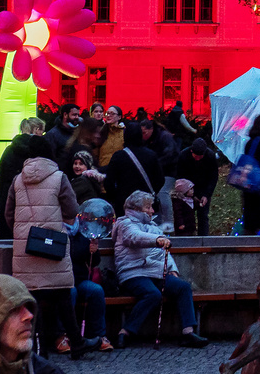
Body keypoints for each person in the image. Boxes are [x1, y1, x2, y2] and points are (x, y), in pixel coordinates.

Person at [5, 148, 95, 360]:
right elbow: (72, 210)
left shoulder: (18, 179)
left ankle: (38, 349)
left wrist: (21, 231)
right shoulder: (59, 177)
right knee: (62, 293)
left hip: (25, 245)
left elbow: (8, 213)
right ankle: (77, 343)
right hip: (51, 244)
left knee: (32, 297)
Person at [112, 190, 209, 348]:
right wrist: (158, 240)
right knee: (152, 294)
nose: (152, 211)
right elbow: (135, 237)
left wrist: (173, 269)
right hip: (133, 272)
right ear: (138, 209)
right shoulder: (124, 224)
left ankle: (188, 332)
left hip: (155, 272)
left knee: (183, 287)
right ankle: (126, 331)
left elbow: (164, 251)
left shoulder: (153, 226)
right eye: (149, 207)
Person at [0, 117, 57, 238]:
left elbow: (1, 180)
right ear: (36, 130)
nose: (43, 135)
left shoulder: (9, 150)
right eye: (42, 131)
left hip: (11, 203)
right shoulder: (39, 152)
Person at [71, 198, 115, 350]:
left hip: (81, 278)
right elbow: (72, 254)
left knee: (96, 291)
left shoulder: (85, 233)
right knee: (70, 294)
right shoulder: (65, 232)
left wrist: (94, 251)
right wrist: (85, 251)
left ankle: (100, 335)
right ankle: (65, 335)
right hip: (64, 280)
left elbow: (93, 262)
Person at [103, 121, 165, 217]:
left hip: (124, 204)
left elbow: (109, 182)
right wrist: (150, 194)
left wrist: (116, 198)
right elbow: (160, 180)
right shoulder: (151, 155)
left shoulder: (119, 156)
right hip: (145, 204)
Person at [174, 139, 218, 235]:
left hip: (204, 187)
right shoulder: (183, 156)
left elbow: (213, 177)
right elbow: (180, 176)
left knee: (203, 215)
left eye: (200, 156)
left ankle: (203, 240)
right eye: (196, 156)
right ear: (191, 152)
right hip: (187, 190)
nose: (198, 158)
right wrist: (189, 193)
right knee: (186, 215)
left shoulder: (210, 156)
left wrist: (206, 195)